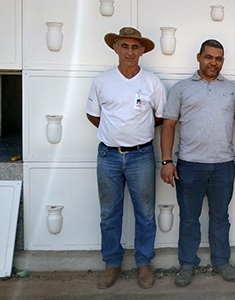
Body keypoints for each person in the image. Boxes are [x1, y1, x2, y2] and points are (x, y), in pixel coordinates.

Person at [160, 39, 235, 287]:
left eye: (219, 58)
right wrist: (167, 160)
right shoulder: (181, 89)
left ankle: (222, 262)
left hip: (223, 165)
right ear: (198, 57)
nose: (214, 62)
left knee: (220, 217)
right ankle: (187, 264)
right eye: (209, 57)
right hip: (189, 166)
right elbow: (168, 125)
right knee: (189, 218)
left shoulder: (233, 89)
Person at [86, 27, 166, 289]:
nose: (130, 52)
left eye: (135, 47)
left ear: (142, 51)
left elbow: (159, 118)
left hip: (141, 156)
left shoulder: (152, 82)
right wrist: (116, 132)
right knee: (109, 213)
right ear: (115, 48)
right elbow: (93, 115)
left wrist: (135, 133)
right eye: (125, 46)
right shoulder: (102, 81)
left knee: (145, 213)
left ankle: (143, 263)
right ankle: (112, 263)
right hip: (107, 155)